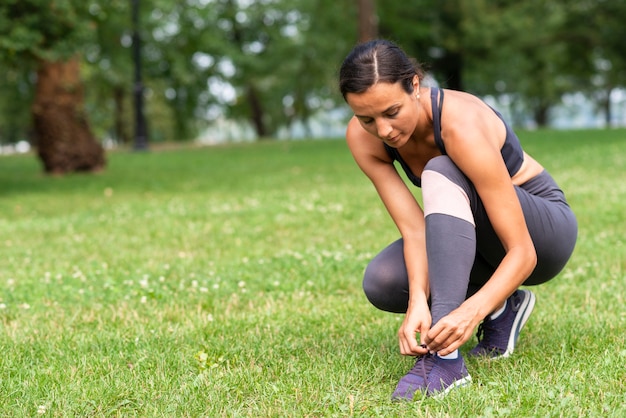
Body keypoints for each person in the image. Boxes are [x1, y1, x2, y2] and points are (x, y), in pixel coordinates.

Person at [338, 39, 577, 400]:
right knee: (385, 281)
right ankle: (503, 307)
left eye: (392, 111)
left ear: (415, 85)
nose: (383, 130)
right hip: (476, 236)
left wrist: (467, 313)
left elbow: (523, 252)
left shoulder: (460, 123)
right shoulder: (363, 139)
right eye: (366, 118)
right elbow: (416, 230)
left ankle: (446, 360)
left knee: (441, 167)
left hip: (543, 233)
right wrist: (419, 298)